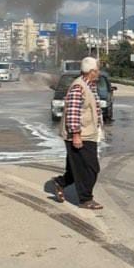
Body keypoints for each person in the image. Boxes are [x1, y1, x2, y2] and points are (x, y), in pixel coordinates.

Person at [54, 56, 104, 210]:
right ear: (90, 72)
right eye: (96, 70)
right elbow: (73, 113)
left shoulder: (90, 85)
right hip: (80, 135)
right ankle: (85, 199)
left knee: (75, 167)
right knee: (91, 168)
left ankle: (60, 183)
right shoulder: (78, 87)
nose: (98, 73)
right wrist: (76, 135)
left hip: (89, 133)